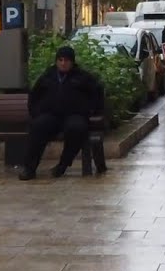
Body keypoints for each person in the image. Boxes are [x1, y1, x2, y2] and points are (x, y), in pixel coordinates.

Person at [20, 46, 105, 181]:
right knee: (38, 126)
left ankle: (63, 164)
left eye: (66, 60)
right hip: (51, 115)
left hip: (74, 115)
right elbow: (35, 95)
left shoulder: (82, 77)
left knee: (76, 128)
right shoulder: (49, 76)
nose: (63, 63)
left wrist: (89, 110)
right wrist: (36, 112)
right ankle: (29, 168)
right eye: (60, 60)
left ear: (72, 62)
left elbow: (97, 95)